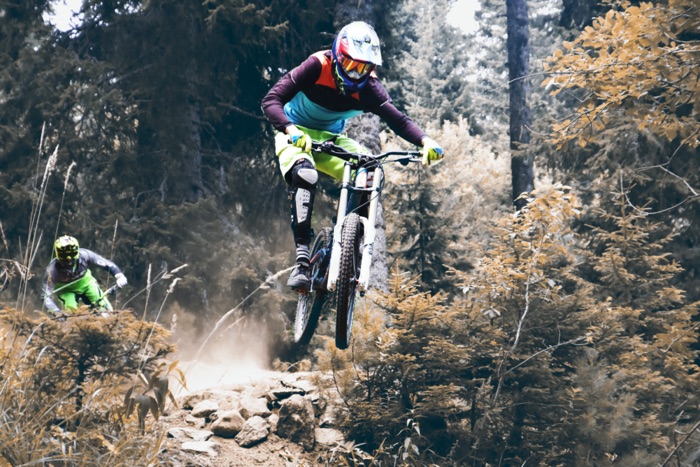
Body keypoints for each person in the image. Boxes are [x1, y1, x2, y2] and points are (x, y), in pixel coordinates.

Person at [261, 21, 444, 291]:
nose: (356, 72)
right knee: (305, 174)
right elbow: (271, 100)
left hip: (332, 140)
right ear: (337, 55)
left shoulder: (370, 89)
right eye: (350, 64)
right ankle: (302, 259)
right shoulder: (317, 65)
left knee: (369, 169)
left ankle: (346, 241)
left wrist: (426, 140)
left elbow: (400, 121)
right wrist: (289, 129)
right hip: (295, 133)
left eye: (364, 67)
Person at [42, 235, 128, 317]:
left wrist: (119, 275)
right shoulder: (51, 270)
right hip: (66, 291)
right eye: (64, 255)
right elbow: (46, 297)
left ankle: (110, 321)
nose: (68, 259)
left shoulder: (85, 255)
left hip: (86, 284)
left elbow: (106, 263)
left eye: (71, 254)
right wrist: (58, 313)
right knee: (71, 312)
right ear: (58, 254)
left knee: (103, 305)